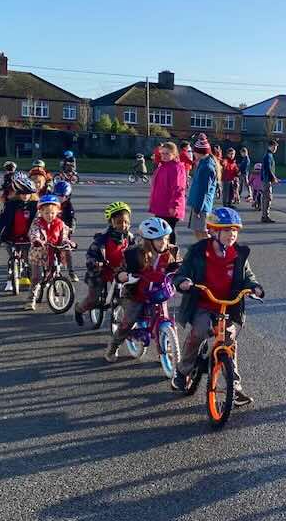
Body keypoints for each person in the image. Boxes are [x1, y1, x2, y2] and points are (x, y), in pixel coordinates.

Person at [171, 207, 264, 403]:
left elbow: (247, 275)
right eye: (227, 230)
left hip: (227, 305)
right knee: (199, 332)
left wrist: (254, 287)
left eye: (235, 230)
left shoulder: (238, 253)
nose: (232, 235)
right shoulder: (198, 251)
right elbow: (182, 272)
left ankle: (235, 387)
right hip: (204, 303)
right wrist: (184, 282)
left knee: (229, 340)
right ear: (213, 231)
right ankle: (182, 371)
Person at [104, 216, 181, 362]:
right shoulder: (133, 254)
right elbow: (120, 270)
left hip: (159, 291)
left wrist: (181, 276)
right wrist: (122, 275)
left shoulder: (171, 252)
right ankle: (113, 347)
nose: (163, 242)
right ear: (148, 241)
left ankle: (166, 349)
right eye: (159, 239)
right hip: (137, 293)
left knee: (165, 318)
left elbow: (178, 267)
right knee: (129, 320)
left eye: (166, 238)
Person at [74, 202, 134, 325]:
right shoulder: (102, 239)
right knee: (93, 299)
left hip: (119, 270)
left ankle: (126, 319)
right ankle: (79, 309)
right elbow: (90, 255)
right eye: (119, 222)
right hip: (101, 270)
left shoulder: (129, 237)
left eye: (126, 222)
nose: (123, 225)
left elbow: (136, 251)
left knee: (127, 295)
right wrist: (95, 263)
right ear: (111, 222)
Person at [0, 171, 39, 292]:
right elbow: (1, 218)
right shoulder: (11, 204)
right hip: (11, 236)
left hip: (28, 237)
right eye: (22, 193)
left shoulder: (36, 205)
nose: (25, 196)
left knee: (29, 259)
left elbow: (41, 221)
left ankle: (32, 277)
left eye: (28, 193)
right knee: (12, 257)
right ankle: (10, 279)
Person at [25, 194, 74, 311]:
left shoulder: (60, 223)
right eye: (46, 213)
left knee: (55, 271)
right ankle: (31, 299)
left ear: (57, 212)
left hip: (54, 252)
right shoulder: (37, 223)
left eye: (52, 213)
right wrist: (36, 240)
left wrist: (69, 243)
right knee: (36, 277)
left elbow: (64, 236)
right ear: (41, 212)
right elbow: (34, 232)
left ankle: (53, 282)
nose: (50, 215)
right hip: (38, 254)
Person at [148, 141, 187, 244]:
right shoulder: (163, 166)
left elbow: (178, 188)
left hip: (169, 207)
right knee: (161, 231)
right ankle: (165, 251)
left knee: (168, 231)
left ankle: (172, 251)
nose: (164, 156)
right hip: (161, 206)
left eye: (167, 154)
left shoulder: (176, 168)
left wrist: (174, 205)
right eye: (162, 153)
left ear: (174, 154)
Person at [186, 134, 220, 241]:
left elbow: (203, 191)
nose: (193, 153)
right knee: (198, 232)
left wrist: (198, 209)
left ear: (199, 152)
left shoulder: (207, 167)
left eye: (194, 151)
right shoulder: (203, 163)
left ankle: (211, 248)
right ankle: (205, 248)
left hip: (201, 206)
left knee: (202, 232)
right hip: (200, 204)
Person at [259, 139, 279, 223]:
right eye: (274, 147)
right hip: (267, 180)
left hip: (267, 179)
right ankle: (265, 216)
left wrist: (274, 177)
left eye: (276, 148)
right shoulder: (268, 156)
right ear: (269, 147)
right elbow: (268, 169)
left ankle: (264, 215)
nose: (275, 149)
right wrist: (273, 178)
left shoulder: (269, 155)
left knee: (266, 198)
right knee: (268, 198)